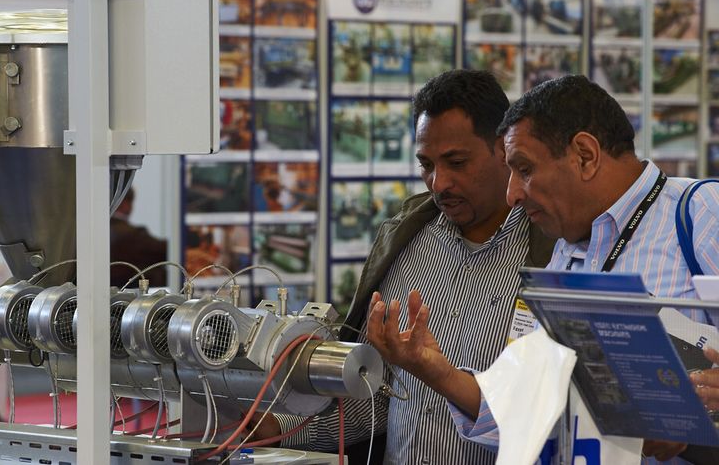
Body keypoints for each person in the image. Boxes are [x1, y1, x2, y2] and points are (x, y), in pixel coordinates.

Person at [369, 75, 719, 465]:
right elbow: (527, 412)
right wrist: (435, 370)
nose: (512, 194)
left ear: (585, 155)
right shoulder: (566, 252)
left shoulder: (702, 214)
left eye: (524, 169)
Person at [255, 69, 555, 464]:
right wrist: (282, 427)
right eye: (426, 164)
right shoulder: (407, 240)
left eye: (456, 162)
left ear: (503, 149)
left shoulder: (551, 254)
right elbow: (376, 395)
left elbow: (550, 413)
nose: (438, 182)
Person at [110, 187, 168, 288]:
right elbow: (167, 251)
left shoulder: (87, 234)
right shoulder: (134, 235)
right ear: (125, 204)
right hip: (132, 298)